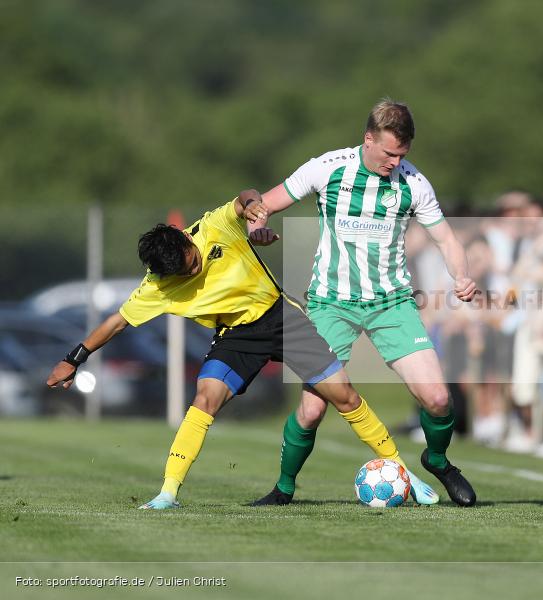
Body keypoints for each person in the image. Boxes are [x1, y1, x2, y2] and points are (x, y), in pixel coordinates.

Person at [46, 190, 435, 509]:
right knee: (204, 397)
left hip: (282, 319)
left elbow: (243, 199)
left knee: (344, 395)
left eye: (192, 261)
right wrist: (73, 359)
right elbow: (116, 322)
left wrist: (253, 210)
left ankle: (404, 472)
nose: (193, 270)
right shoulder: (158, 287)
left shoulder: (214, 228)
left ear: (187, 239)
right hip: (237, 336)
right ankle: (168, 492)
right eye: (185, 272)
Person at [248, 99, 478, 506]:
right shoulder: (327, 167)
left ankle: (438, 460)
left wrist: (461, 275)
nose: (395, 162)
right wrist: (258, 228)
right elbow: (264, 204)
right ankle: (283, 488)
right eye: (389, 153)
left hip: (391, 303)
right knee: (313, 410)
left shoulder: (414, 183)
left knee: (439, 399)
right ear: (368, 139)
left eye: (402, 155)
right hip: (331, 303)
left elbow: (445, 238)